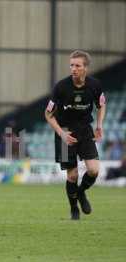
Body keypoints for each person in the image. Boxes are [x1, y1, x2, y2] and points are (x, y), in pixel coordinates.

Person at [45, 50, 106, 220]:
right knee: (72, 175)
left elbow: (101, 105)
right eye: (71, 65)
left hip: (85, 130)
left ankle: (81, 193)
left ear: (85, 68)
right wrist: (61, 134)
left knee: (93, 170)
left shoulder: (95, 85)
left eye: (77, 66)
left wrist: (99, 125)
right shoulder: (61, 87)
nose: (73, 69)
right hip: (65, 131)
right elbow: (48, 115)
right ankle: (74, 209)